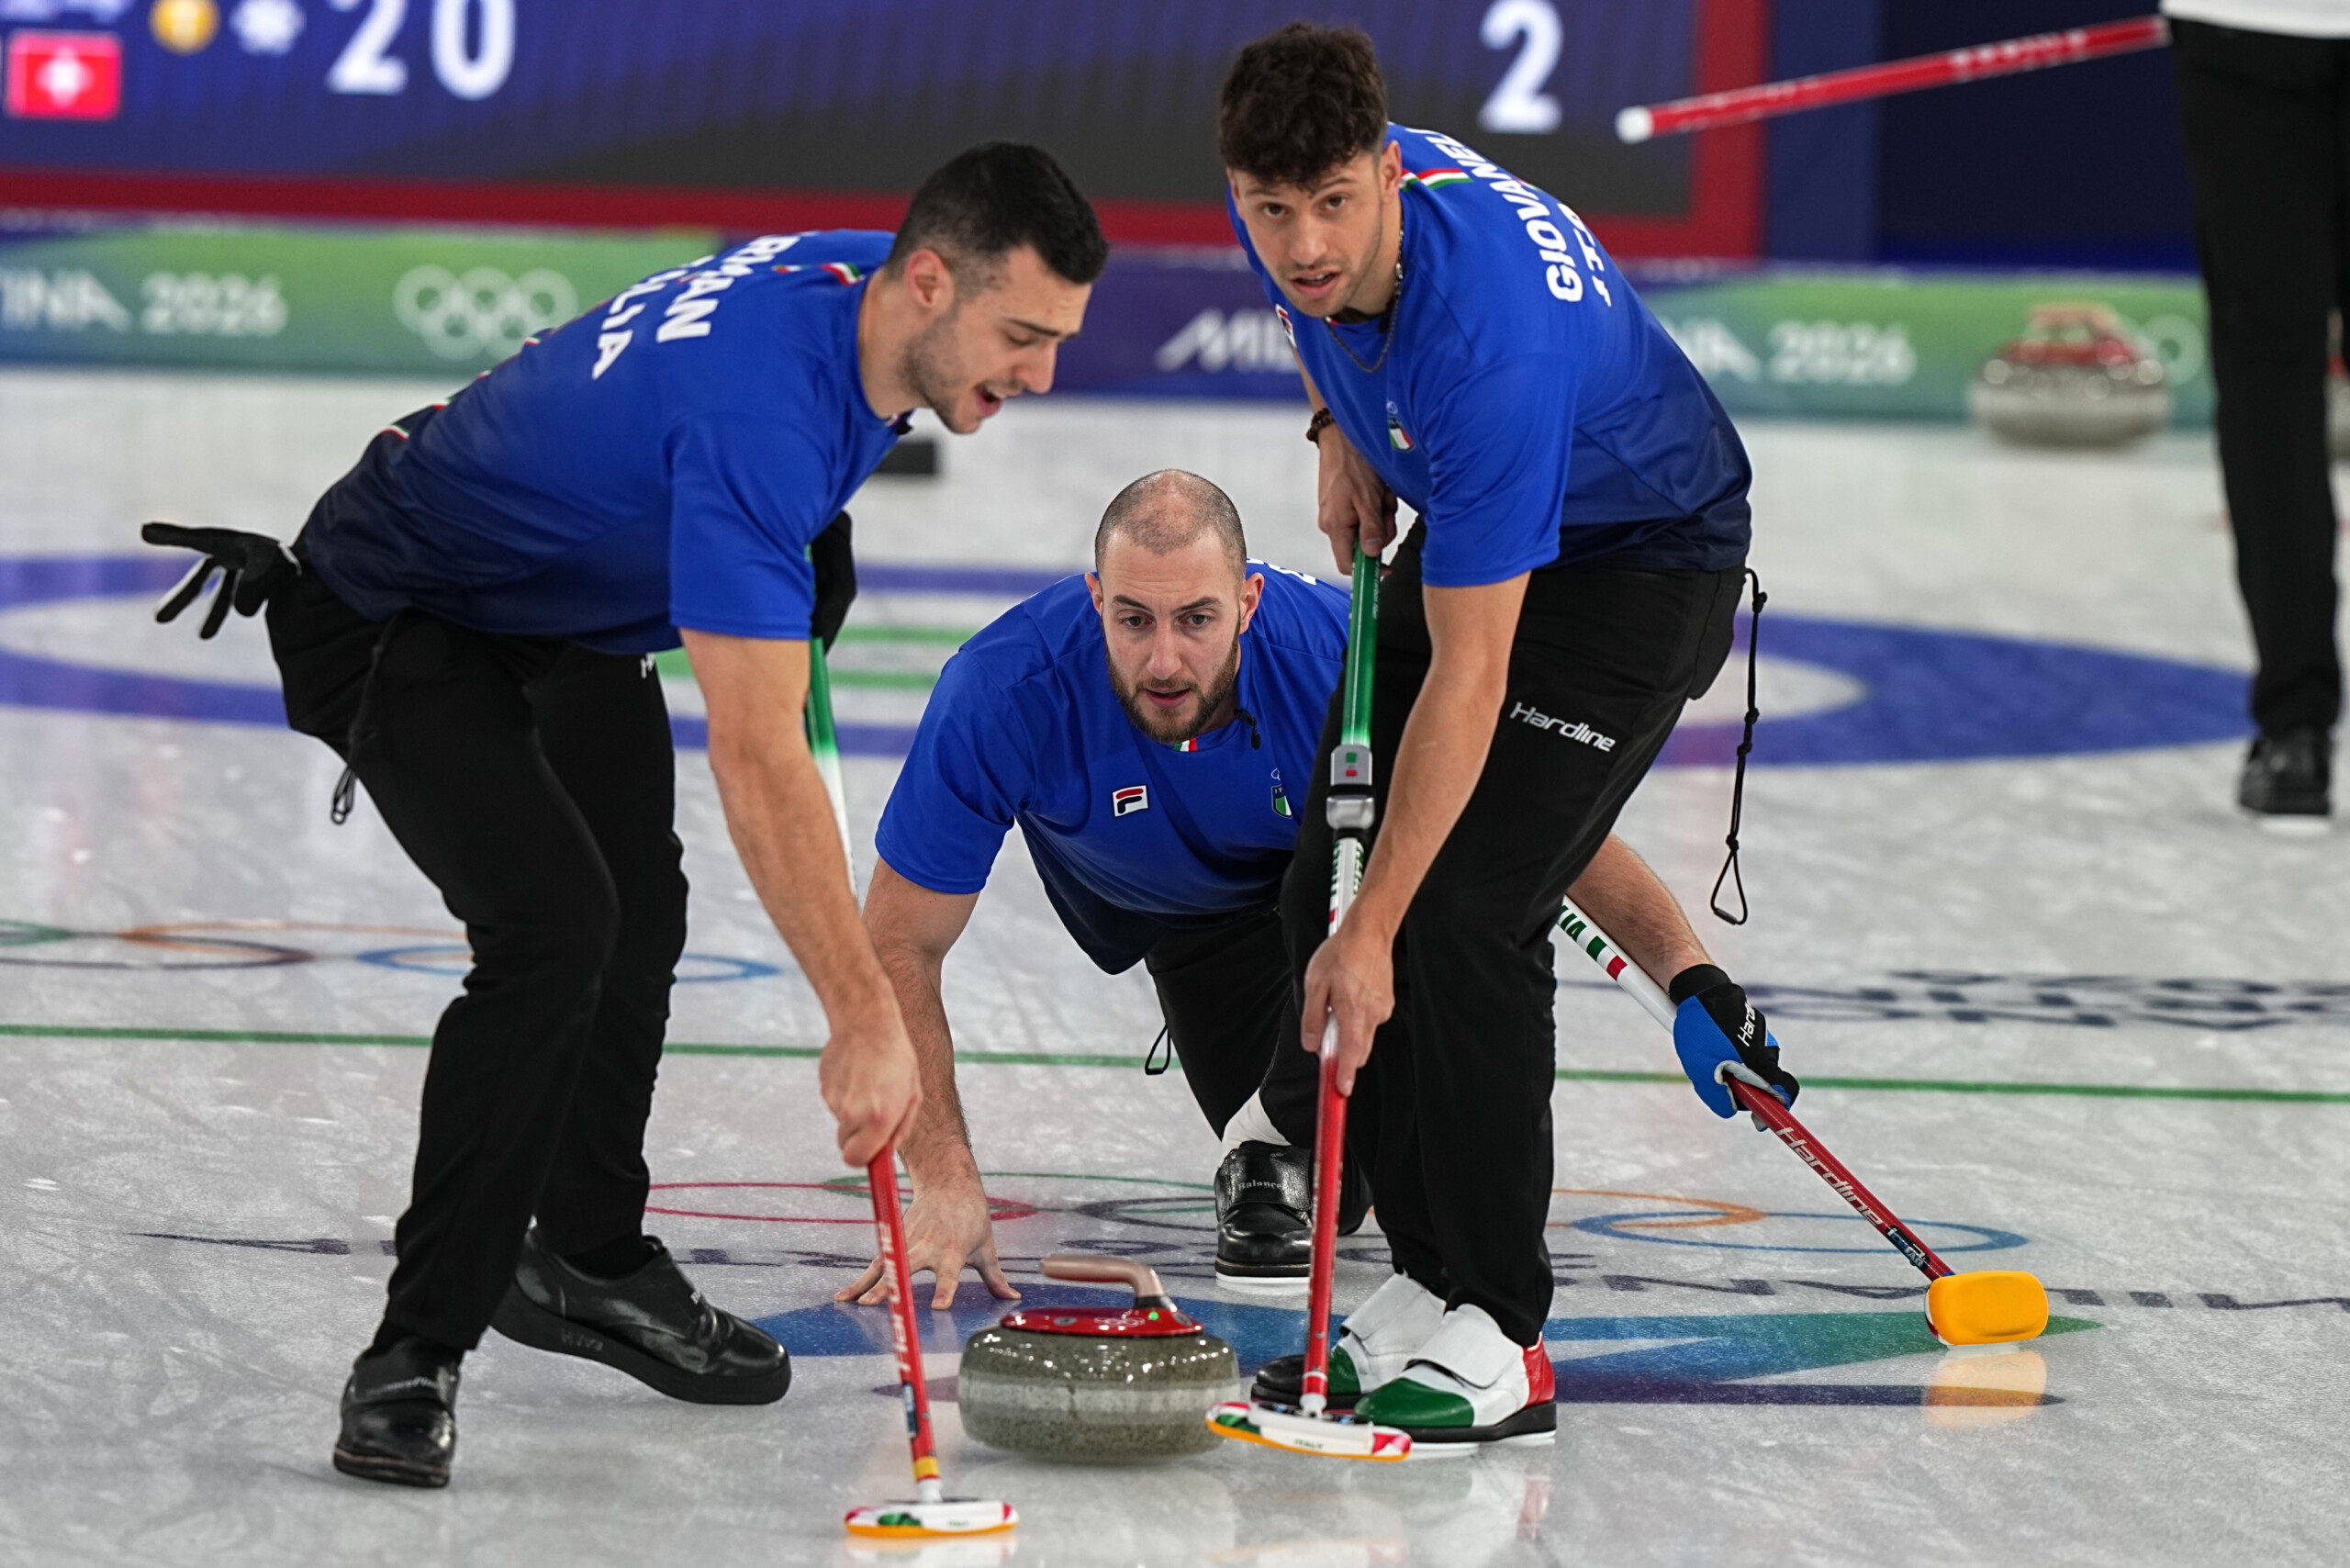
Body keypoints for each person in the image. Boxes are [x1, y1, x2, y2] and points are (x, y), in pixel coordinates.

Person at [153, 142, 1108, 1488]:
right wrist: (860, 1017)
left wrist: (813, 535)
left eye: (1057, 339)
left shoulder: (849, 280)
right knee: (554, 932)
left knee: (638, 916)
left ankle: (588, 1259)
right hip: (395, 611)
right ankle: (412, 1353)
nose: (1040, 374)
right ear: (932, 282)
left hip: (555, 604)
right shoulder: (758, 426)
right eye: (1021, 336)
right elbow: (761, 760)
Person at [1217, 24, 1799, 1448]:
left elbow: (1472, 684)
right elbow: (1316, 315)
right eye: (1270, 212)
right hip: (1491, 518)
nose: (1301, 245)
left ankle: (1503, 1328)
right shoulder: (1313, 223)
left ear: (1389, 175)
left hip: (1639, 558)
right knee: (1324, 880)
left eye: (1332, 208)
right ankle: (1423, 1280)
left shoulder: (1489, 348)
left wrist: (1378, 931)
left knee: (1460, 909)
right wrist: (1333, 431)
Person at [841, 466, 1752, 1307]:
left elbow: (1532, 822)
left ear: (1248, 600)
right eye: (1133, 620)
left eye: (1196, 619)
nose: (1163, 660)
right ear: (1094, 601)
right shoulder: (1002, 692)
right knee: (1332, 1185)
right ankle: (1285, 1132)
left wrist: (1688, 973)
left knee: (1415, 909)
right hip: (1190, 929)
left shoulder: (1336, 656)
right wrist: (945, 1176)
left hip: (1341, 897)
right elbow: (898, 943)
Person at [2165, 2, 2350, 827]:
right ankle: (2295, 729)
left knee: (2270, 375)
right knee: (2269, 378)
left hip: (2250, 27)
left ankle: (2295, 734)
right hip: (2248, 26)